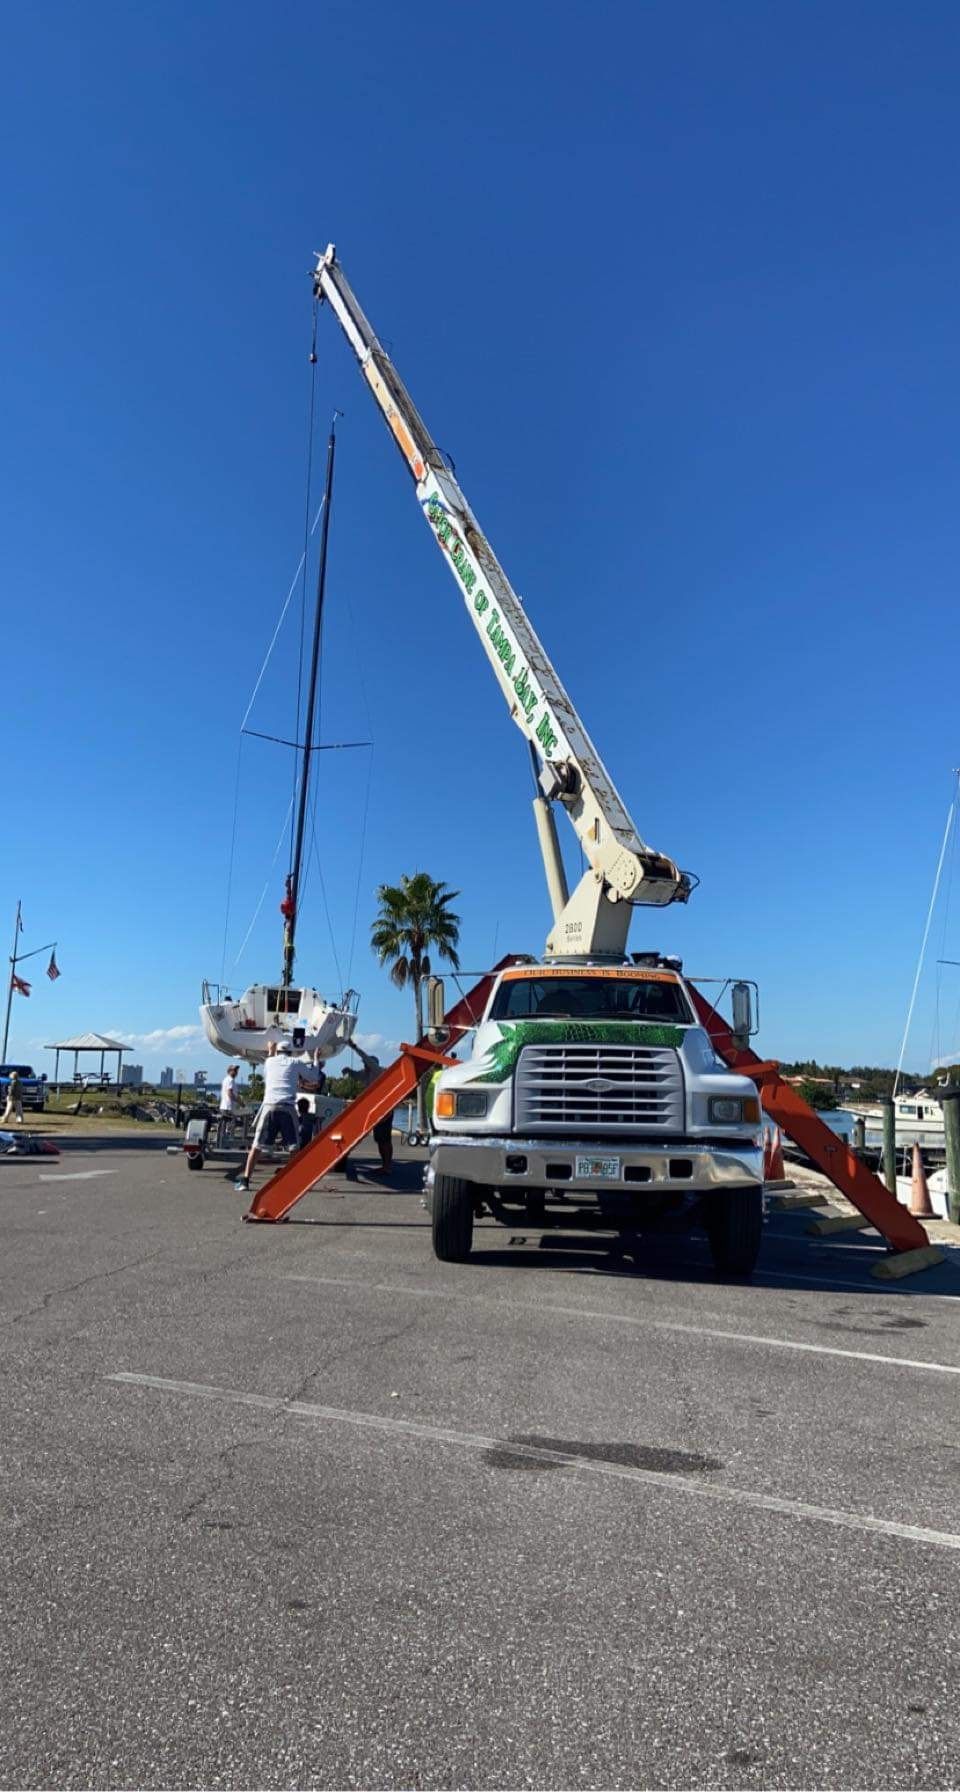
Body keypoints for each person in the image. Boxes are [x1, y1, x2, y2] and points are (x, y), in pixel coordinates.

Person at [234, 1043, 323, 1193]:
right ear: (291, 1052)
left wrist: (270, 1050)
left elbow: (269, 1064)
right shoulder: (296, 1062)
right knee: (294, 1147)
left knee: (256, 1146)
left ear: (278, 1051)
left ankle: (245, 1180)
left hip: (269, 1107)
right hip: (287, 1107)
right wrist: (315, 1058)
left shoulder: (270, 1062)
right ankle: (294, 1182)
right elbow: (314, 1077)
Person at [348, 1040, 394, 1172]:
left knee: (384, 1140)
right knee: (380, 1140)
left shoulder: (377, 1072)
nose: (364, 1066)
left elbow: (365, 1058)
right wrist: (349, 1071)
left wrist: (354, 1046)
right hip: (377, 1112)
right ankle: (385, 1165)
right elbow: (357, 1075)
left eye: (366, 1064)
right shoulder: (366, 1074)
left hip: (384, 1112)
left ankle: (387, 1166)